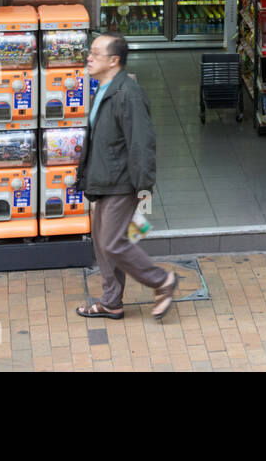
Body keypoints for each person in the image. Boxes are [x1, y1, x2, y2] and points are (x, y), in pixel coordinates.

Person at [75, 31, 179, 321]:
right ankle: (111, 302)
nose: (89, 57)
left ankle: (161, 281)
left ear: (114, 60)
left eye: (95, 53)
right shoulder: (104, 89)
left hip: (121, 180)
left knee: (112, 242)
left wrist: (144, 186)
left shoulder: (129, 94)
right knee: (100, 240)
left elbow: (142, 142)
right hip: (104, 177)